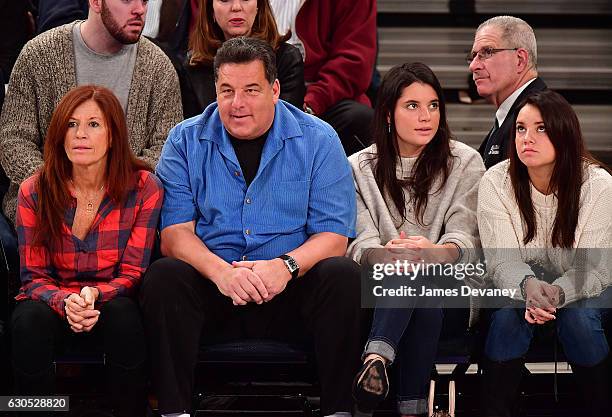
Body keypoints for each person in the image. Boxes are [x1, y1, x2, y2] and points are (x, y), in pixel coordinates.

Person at [141, 37, 362, 417]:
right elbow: (175, 234)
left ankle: (338, 411)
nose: (237, 103)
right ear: (215, 90)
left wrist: (285, 267)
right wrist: (222, 274)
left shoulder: (319, 139)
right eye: (226, 91)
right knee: (164, 276)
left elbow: (334, 236)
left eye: (250, 90)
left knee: (343, 275)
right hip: (215, 291)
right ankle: (173, 411)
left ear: (275, 90)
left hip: (290, 293)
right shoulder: (184, 139)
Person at [10, 85, 164, 417]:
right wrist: (65, 301)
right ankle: (39, 412)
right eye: (71, 124)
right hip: (51, 303)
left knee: (126, 316)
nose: (81, 134)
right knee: (27, 321)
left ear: (113, 136)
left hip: (109, 301)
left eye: (94, 124)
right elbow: (32, 278)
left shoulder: (143, 188)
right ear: (59, 134)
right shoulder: (34, 191)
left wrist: (94, 294)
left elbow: (134, 272)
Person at [347, 62, 485, 416]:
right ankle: (412, 407)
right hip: (383, 293)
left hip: (453, 292)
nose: (426, 116)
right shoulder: (357, 167)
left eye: (433, 105)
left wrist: (431, 254)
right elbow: (360, 242)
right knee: (415, 292)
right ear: (388, 115)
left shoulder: (465, 162)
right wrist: (389, 258)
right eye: (412, 106)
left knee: (422, 289)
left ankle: (376, 356)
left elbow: (465, 237)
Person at [477, 89, 612, 417]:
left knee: (579, 319)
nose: (527, 138)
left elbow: (592, 270)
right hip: (524, 287)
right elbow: (502, 261)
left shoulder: (599, 185)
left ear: (564, 133)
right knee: (508, 320)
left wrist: (556, 294)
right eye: (521, 128)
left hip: (586, 287)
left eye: (541, 128)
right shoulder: (496, 181)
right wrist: (528, 288)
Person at [0, 0, 182, 226]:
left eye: (144, 1)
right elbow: (14, 140)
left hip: (126, 214)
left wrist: (111, 189)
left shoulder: (159, 67)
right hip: (46, 208)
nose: (139, 10)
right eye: (127, 0)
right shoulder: (39, 54)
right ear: (96, 2)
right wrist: (59, 187)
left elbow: (167, 148)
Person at [270, 0, 377, 155]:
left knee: (360, 119)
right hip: (264, 89)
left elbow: (353, 63)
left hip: (321, 99)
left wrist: (311, 104)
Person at [179, 0, 304, 118]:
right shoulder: (193, 65)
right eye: (225, 0)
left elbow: (286, 128)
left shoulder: (287, 59)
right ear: (210, 9)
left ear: (258, 6)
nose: (236, 7)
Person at [468, 16, 547, 169]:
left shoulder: (540, 114)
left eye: (487, 52)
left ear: (520, 60)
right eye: (473, 56)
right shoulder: (513, 113)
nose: (473, 65)